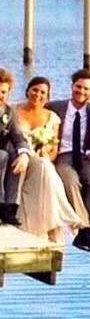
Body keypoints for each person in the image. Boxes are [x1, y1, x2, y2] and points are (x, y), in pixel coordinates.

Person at [16, 76, 85, 244]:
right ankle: (68, 219)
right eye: (35, 90)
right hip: (20, 159)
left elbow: (54, 149)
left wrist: (46, 154)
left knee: (46, 166)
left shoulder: (52, 117)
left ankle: (54, 225)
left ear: (47, 97)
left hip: (42, 161)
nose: (38, 95)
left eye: (42, 93)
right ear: (27, 91)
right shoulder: (14, 111)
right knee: (46, 168)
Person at [47, 69, 90, 257]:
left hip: (85, 155)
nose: (81, 91)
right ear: (72, 86)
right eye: (78, 87)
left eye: (86, 89)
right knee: (71, 182)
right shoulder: (54, 107)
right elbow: (32, 111)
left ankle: (86, 231)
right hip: (63, 154)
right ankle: (85, 230)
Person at [0, 68, 30, 225]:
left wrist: (24, 154)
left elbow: (19, 137)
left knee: (17, 156)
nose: (0, 96)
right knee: (2, 156)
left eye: (3, 92)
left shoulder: (9, 112)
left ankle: (11, 207)